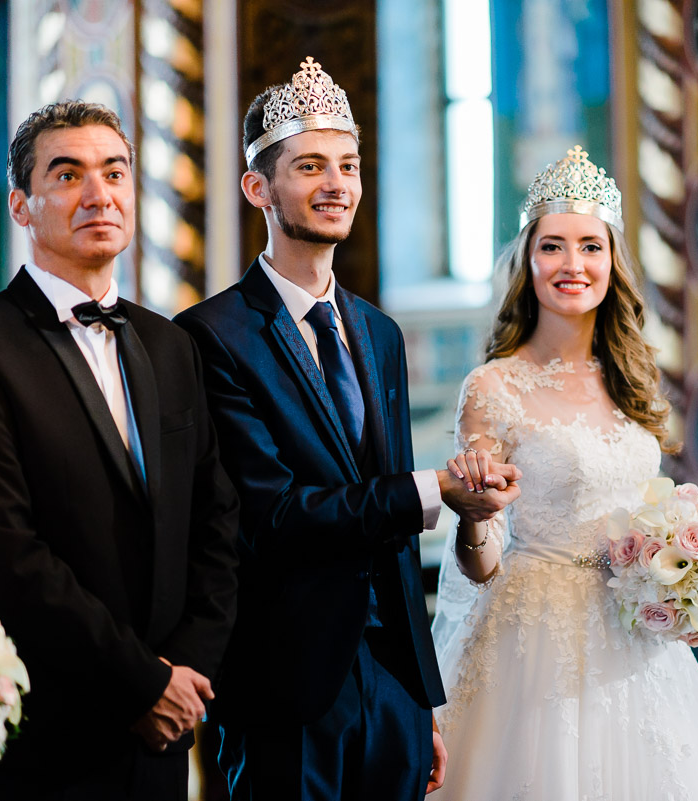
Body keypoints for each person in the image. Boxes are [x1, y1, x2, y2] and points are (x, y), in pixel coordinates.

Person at [175, 58, 519, 800]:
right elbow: (270, 516)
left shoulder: (379, 333)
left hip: (391, 681)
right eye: (310, 166)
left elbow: (395, 544)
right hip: (284, 686)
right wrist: (436, 488)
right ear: (258, 188)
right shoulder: (212, 336)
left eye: (349, 166)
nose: (336, 184)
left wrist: (421, 699)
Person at [0, 101, 240, 799]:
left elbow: (216, 521)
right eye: (68, 175)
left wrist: (186, 673)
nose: (99, 194)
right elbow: (8, 554)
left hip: (165, 733)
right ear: (21, 205)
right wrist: (142, 683)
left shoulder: (170, 344)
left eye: (114, 172)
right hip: (52, 736)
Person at [430, 146, 698, 800]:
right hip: (533, 638)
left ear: (612, 261)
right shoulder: (494, 388)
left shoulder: (630, 378)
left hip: (633, 629)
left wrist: (685, 575)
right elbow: (481, 562)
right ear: (527, 262)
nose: (573, 264)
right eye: (552, 246)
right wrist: (473, 518)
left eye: (590, 246)